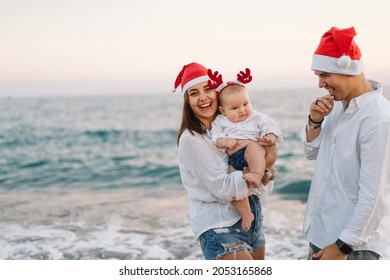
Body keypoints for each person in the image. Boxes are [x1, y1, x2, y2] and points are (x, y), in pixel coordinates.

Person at [301, 26, 390, 260]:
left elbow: (375, 196)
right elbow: (311, 153)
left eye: (324, 75)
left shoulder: (378, 119)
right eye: (318, 76)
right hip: (321, 235)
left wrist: (342, 247)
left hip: (353, 248)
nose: (320, 84)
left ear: (346, 67)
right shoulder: (336, 107)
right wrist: (315, 121)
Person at [172, 62, 276, 260]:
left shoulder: (233, 126)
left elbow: (263, 170)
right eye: (194, 93)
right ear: (187, 101)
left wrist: (265, 171)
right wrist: (256, 169)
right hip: (220, 227)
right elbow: (223, 188)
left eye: (208, 89)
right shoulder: (191, 139)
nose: (203, 97)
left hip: (253, 223)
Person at [207, 67, 282, 232]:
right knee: (234, 184)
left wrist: (270, 136)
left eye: (245, 104)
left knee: (254, 147)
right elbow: (215, 137)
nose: (242, 110)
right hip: (234, 158)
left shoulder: (255, 116)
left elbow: (270, 125)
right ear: (222, 110)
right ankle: (246, 213)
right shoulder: (220, 121)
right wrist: (224, 141)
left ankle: (257, 173)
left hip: (252, 150)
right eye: (234, 108)